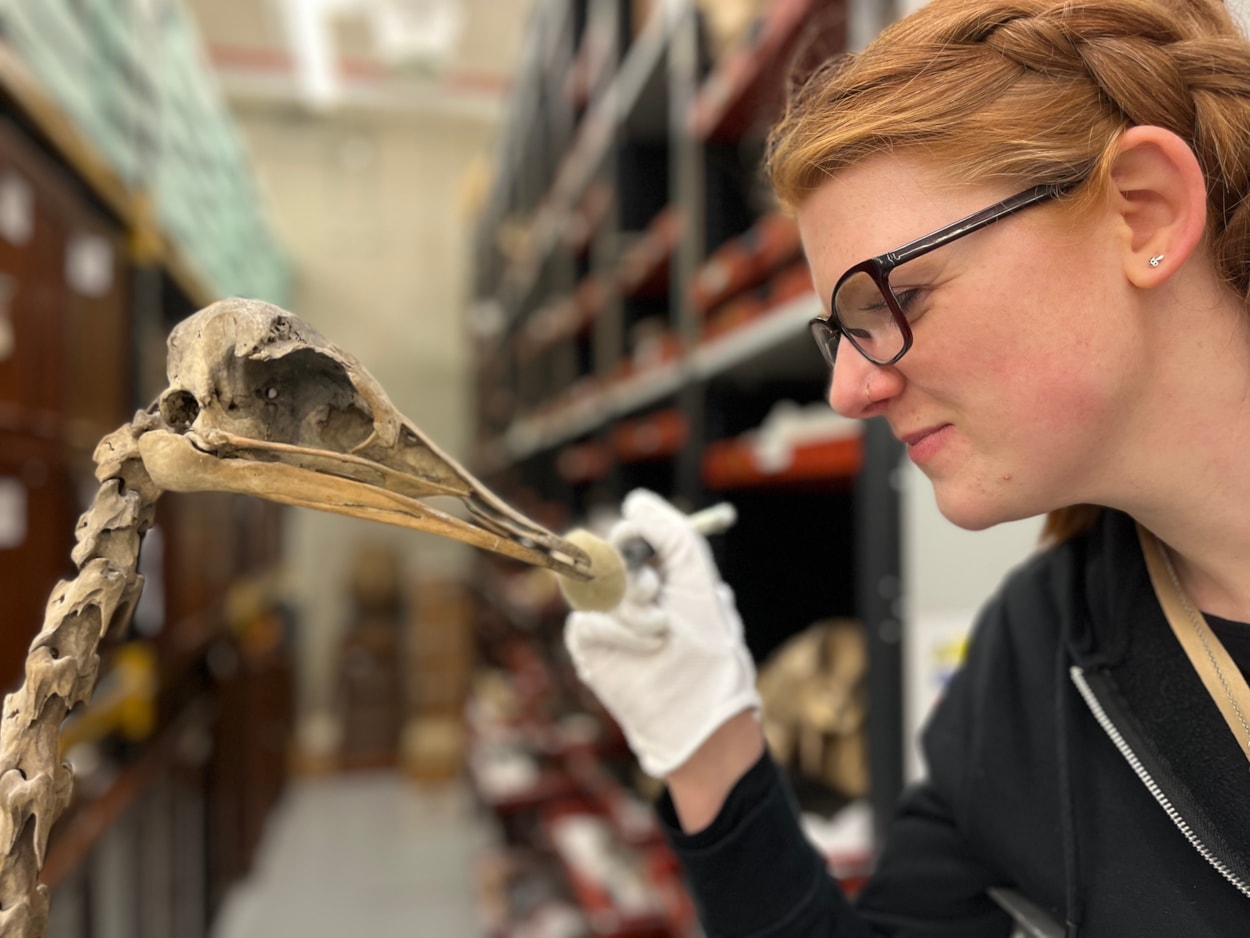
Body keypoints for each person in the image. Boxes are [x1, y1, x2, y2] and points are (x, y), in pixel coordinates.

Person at [563, 0, 1250, 934]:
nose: (850, 390)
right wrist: (707, 748)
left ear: (1143, 210)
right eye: (839, 333)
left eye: (897, 295)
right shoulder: (1038, 652)